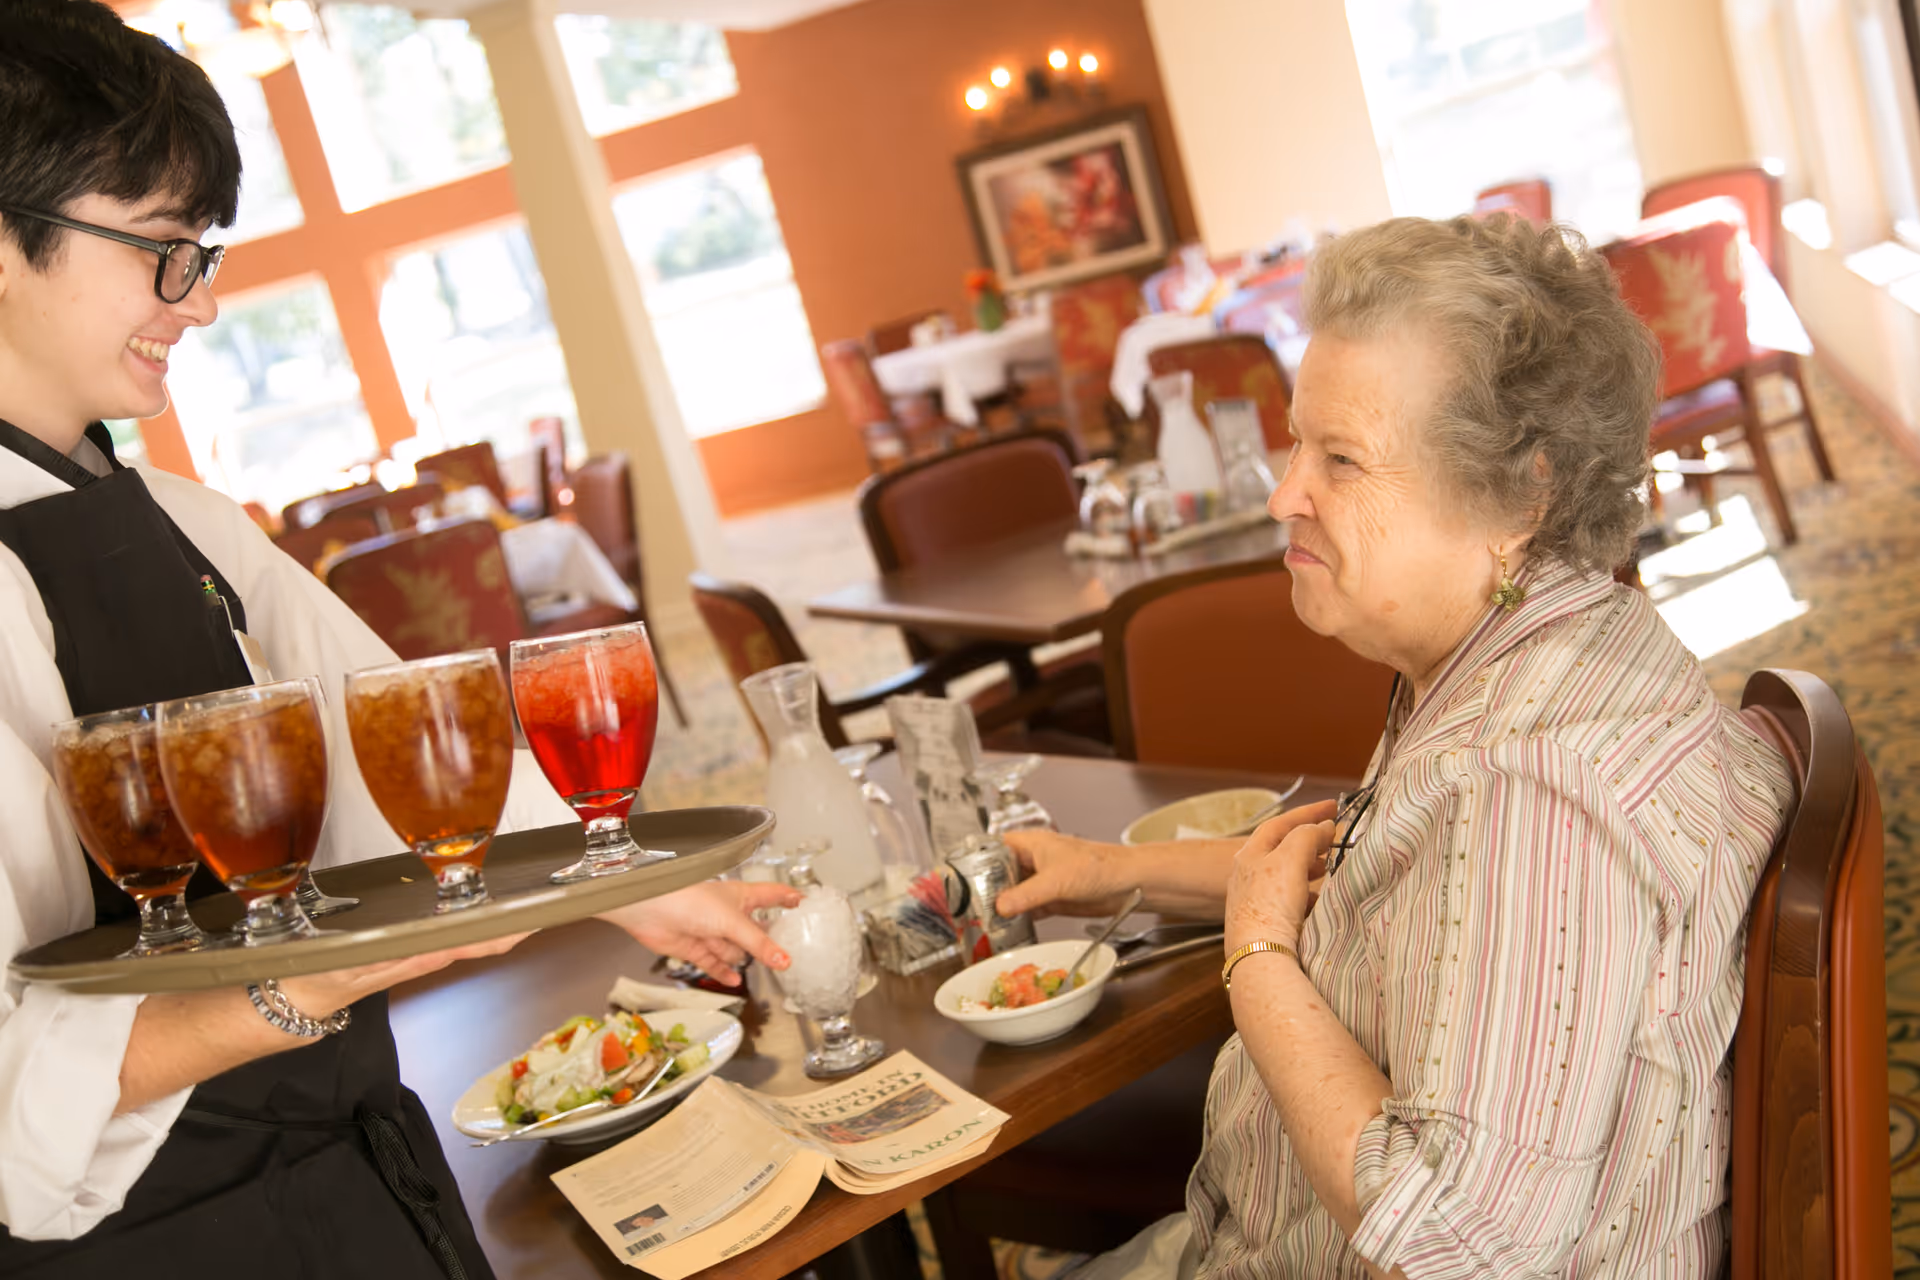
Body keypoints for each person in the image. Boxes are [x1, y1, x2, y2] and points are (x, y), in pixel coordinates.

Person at [0, 4, 795, 1275]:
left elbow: (404, 730)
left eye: (201, 251)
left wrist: (639, 880)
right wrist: (304, 988)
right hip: (155, 1239)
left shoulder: (189, 520)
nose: (196, 303)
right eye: (162, 247)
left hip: (354, 1158)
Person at [997, 214, 1794, 1279]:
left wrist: (1257, 960)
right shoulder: (1528, 651)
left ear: (1520, 496)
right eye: (1295, 442)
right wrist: (1121, 872)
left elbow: (1457, 1245)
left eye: (1341, 458)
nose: (1285, 494)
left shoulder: (1537, 788)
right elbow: (1389, 882)